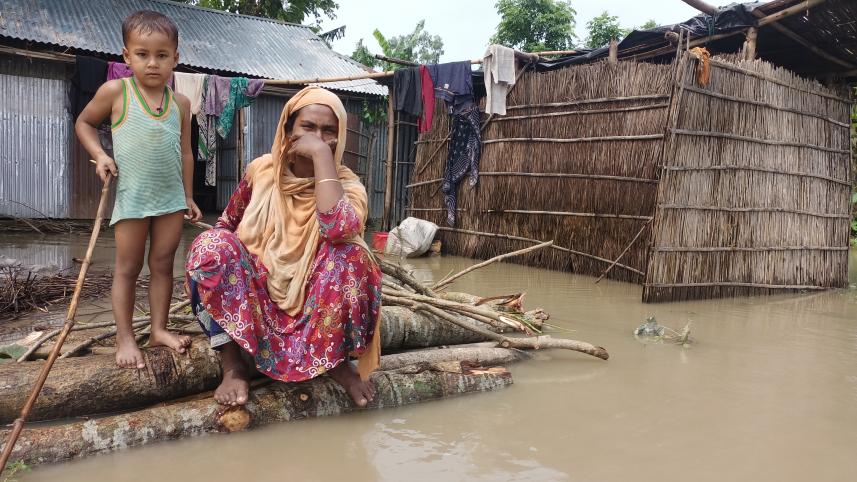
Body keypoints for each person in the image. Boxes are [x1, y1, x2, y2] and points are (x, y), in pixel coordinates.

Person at [185, 86, 381, 407]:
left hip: (311, 310)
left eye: (328, 131)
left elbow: (338, 228)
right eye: (308, 127)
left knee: (353, 254)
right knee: (210, 246)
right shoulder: (261, 171)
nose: (318, 138)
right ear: (288, 130)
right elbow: (226, 223)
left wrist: (320, 156)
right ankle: (233, 365)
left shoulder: (347, 186)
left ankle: (335, 364)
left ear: (340, 137)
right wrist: (211, 276)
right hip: (255, 303)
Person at [75, 10, 202, 369]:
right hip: (133, 198)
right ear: (127, 56)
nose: (152, 63)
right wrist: (101, 155)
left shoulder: (181, 103)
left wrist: (188, 195)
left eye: (162, 55)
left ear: (175, 58)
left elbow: (186, 152)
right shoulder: (116, 91)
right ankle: (125, 337)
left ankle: (158, 329)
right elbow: (84, 122)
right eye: (143, 54)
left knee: (163, 265)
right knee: (127, 268)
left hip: (170, 200)